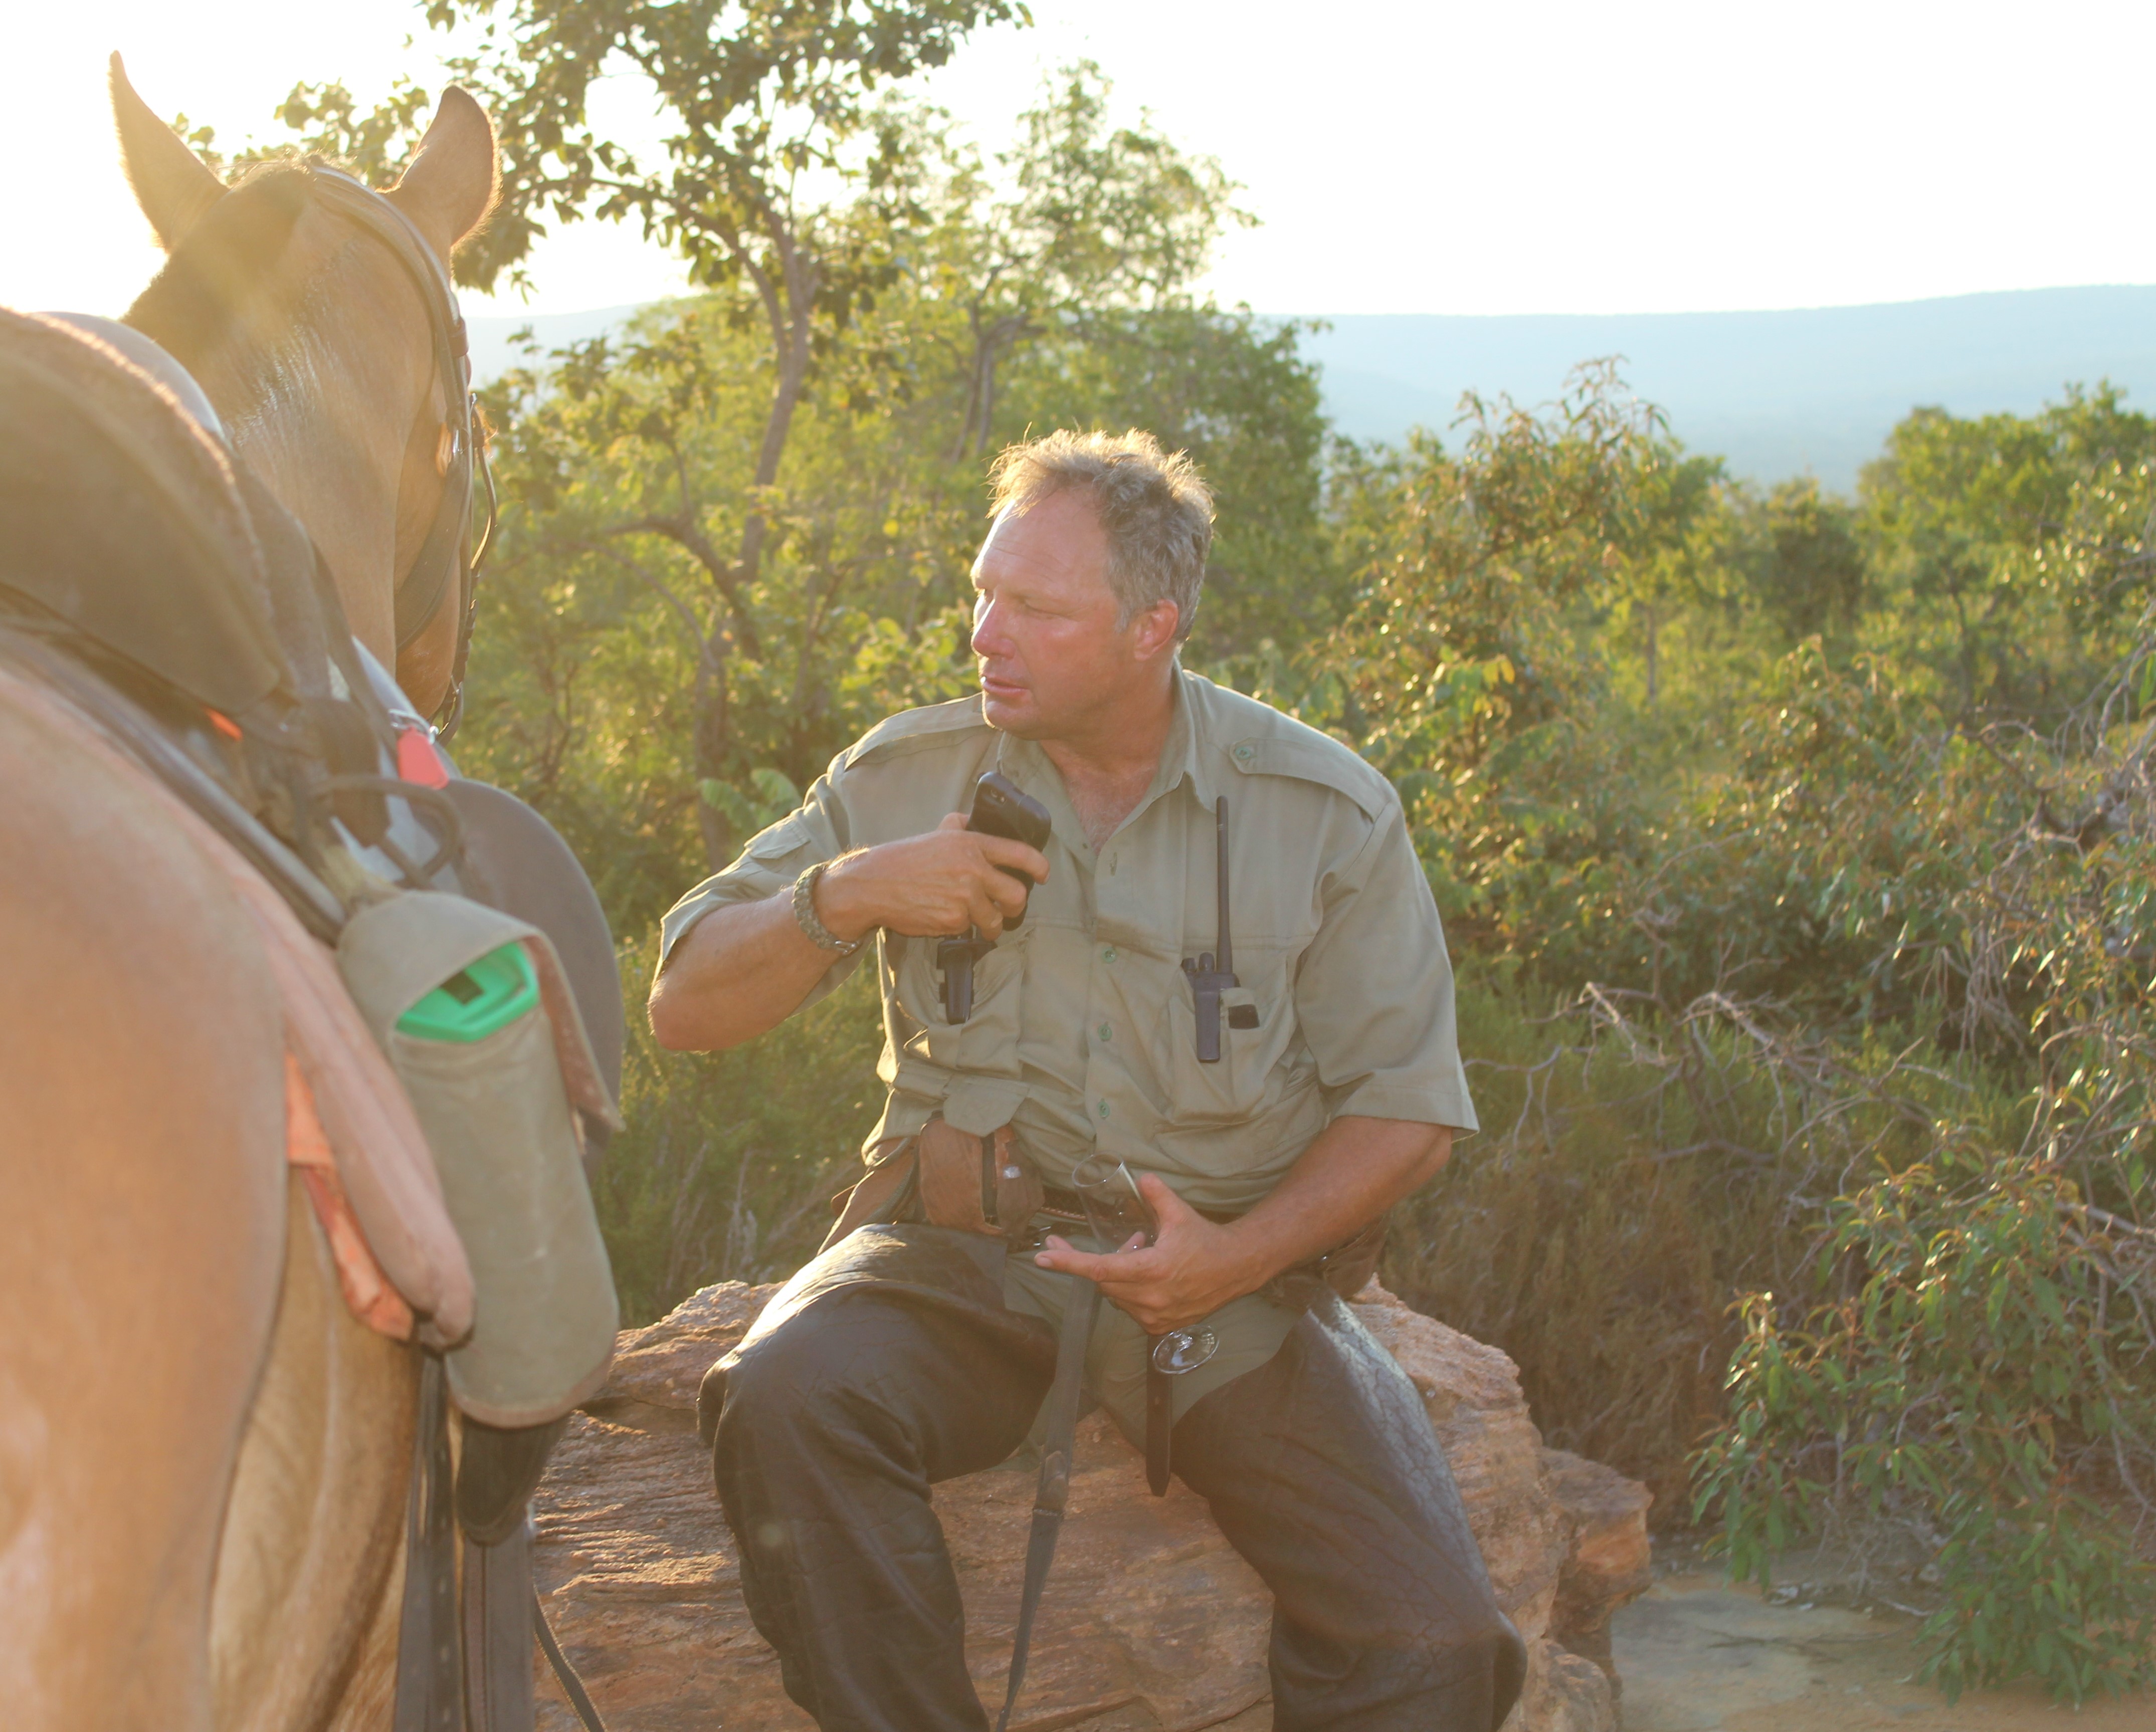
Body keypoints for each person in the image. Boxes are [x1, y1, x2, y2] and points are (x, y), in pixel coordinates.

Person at [649, 428, 1525, 1732]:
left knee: (1439, 1641)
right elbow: (684, 1006)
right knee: (785, 1397)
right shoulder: (905, 775)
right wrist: (842, 897)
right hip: (958, 1258)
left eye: (1038, 610)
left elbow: (1407, 1111)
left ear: (1150, 626)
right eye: (984, 589)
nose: (987, 634)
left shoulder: (1319, 811)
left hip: (1223, 1288)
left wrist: (1234, 1259)